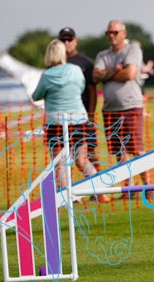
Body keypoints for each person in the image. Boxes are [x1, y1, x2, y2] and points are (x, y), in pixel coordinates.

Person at [32, 39, 110, 202]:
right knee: (82, 160)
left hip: (55, 123)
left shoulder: (46, 75)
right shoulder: (76, 70)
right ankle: (101, 192)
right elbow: (81, 88)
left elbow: (36, 96)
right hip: (79, 120)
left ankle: (69, 199)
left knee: (60, 162)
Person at [93, 20, 151, 198]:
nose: (111, 36)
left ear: (123, 34)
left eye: (115, 32)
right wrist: (116, 70)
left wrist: (108, 74)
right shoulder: (102, 55)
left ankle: (148, 186)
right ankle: (128, 189)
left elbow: (130, 74)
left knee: (137, 148)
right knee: (120, 151)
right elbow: (95, 76)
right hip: (110, 110)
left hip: (130, 106)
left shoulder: (133, 50)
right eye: (108, 33)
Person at [58, 27, 101, 173]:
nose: (67, 42)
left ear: (75, 41)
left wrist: (91, 115)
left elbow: (92, 89)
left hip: (83, 115)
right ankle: (68, 186)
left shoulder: (85, 62)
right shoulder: (56, 62)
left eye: (69, 39)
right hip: (62, 117)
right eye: (63, 40)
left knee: (89, 152)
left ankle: (99, 183)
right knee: (63, 156)